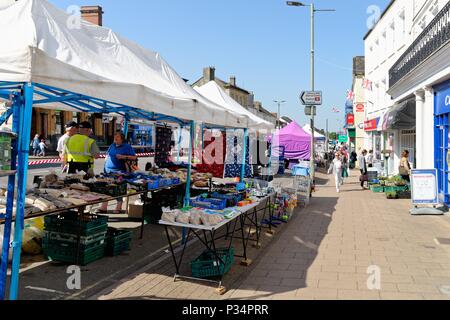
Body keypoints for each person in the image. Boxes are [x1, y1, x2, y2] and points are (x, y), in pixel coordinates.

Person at [98, 132, 138, 214]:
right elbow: (107, 154)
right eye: (115, 137)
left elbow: (134, 157)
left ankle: (118, 207)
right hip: (108, 171)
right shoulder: (112, 145)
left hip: (119, 172)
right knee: (106, 188)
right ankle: (104, 207)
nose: (115, 138)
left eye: (117, 137)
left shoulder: (127, 146)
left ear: (122, 139)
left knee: (118, 189)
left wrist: (123, 157)